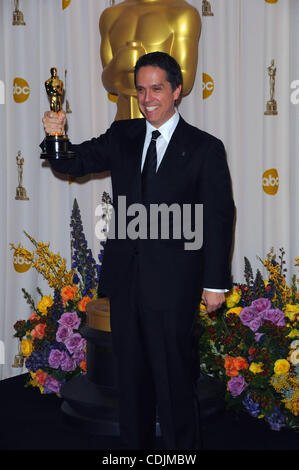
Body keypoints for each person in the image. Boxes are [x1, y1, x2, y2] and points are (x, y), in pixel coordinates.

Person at [42, 52, 235, 450]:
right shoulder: (123, 135)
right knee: (130, 388)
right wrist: (57, 136)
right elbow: (75, 162)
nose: (148, 98)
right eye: (142, 89)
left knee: (175, 385)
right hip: (126, 285)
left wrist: (215, 282)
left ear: (177, 90)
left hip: (176, 287)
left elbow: (218, 218)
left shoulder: (204, 148)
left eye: (158, 89)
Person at [99, 0, 201, 119]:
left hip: (161, 128)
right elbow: (109, 84)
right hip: (121, 124)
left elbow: (184, 83)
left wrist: (144, 67)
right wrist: (119, 63)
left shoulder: (183, 13)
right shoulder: (111, 15)